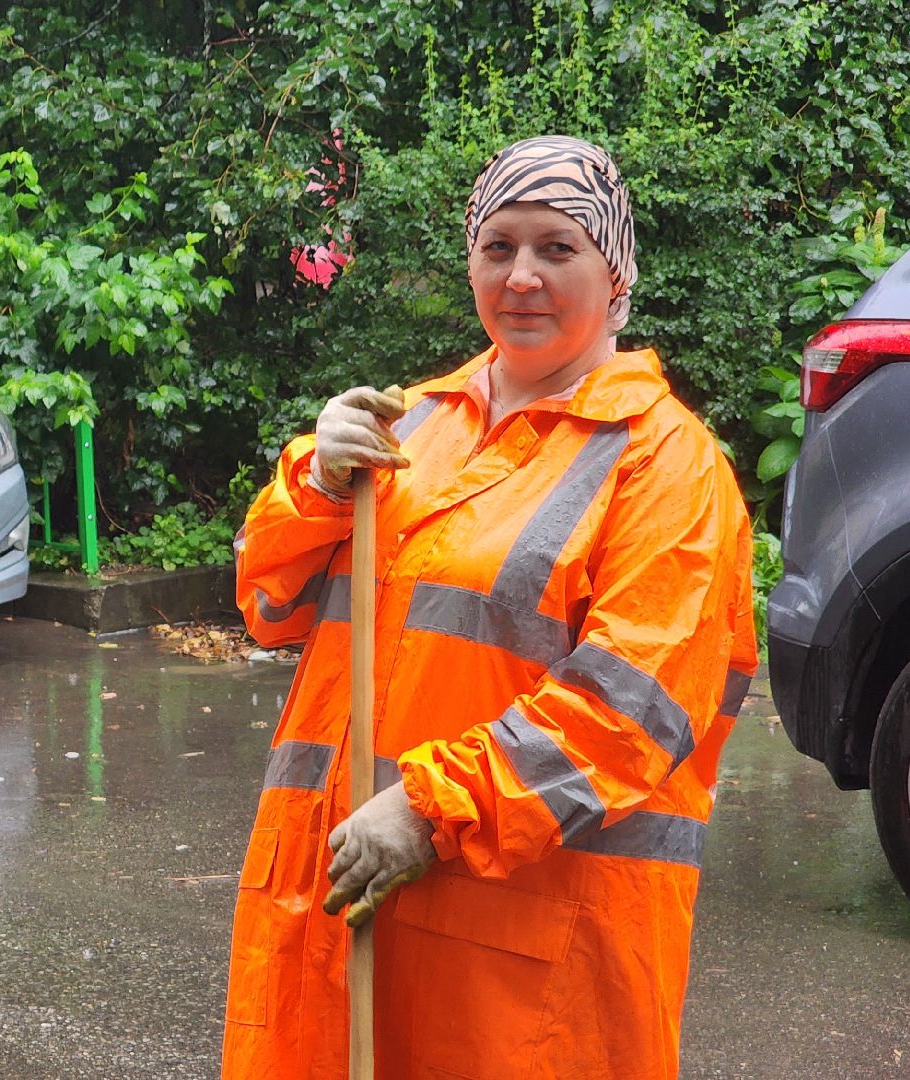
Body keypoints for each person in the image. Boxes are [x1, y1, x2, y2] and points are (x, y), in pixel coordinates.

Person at [223, 136, 758, 1079]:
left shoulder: (667, 466)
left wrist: (431, 811)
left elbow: (630, 709)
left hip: (526, 970)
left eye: (559, 248)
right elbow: (271, 607)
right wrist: (313, 480)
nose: (523, 276)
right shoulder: (409, 428)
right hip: (334, 915)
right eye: (498, 246)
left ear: (616, 271)